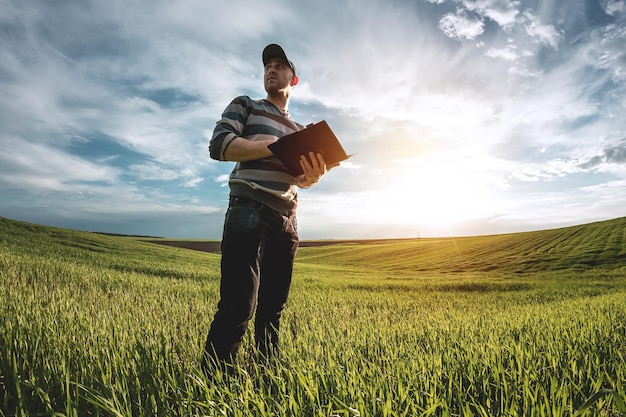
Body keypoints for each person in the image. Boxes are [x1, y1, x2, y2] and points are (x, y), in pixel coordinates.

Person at [202, 44, 327, 373]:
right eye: (267, 65)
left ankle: (267, 374)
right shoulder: (246, 105)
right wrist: (275, 146)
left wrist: (312, 175)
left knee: (273, 308)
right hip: (249, 208)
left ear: (294, 79)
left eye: (279, 65)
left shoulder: (300, 131)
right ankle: (212, 382)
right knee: (239, 304)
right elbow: (220, 145)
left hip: (288, 221)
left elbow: (300, 178)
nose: (271, 69)